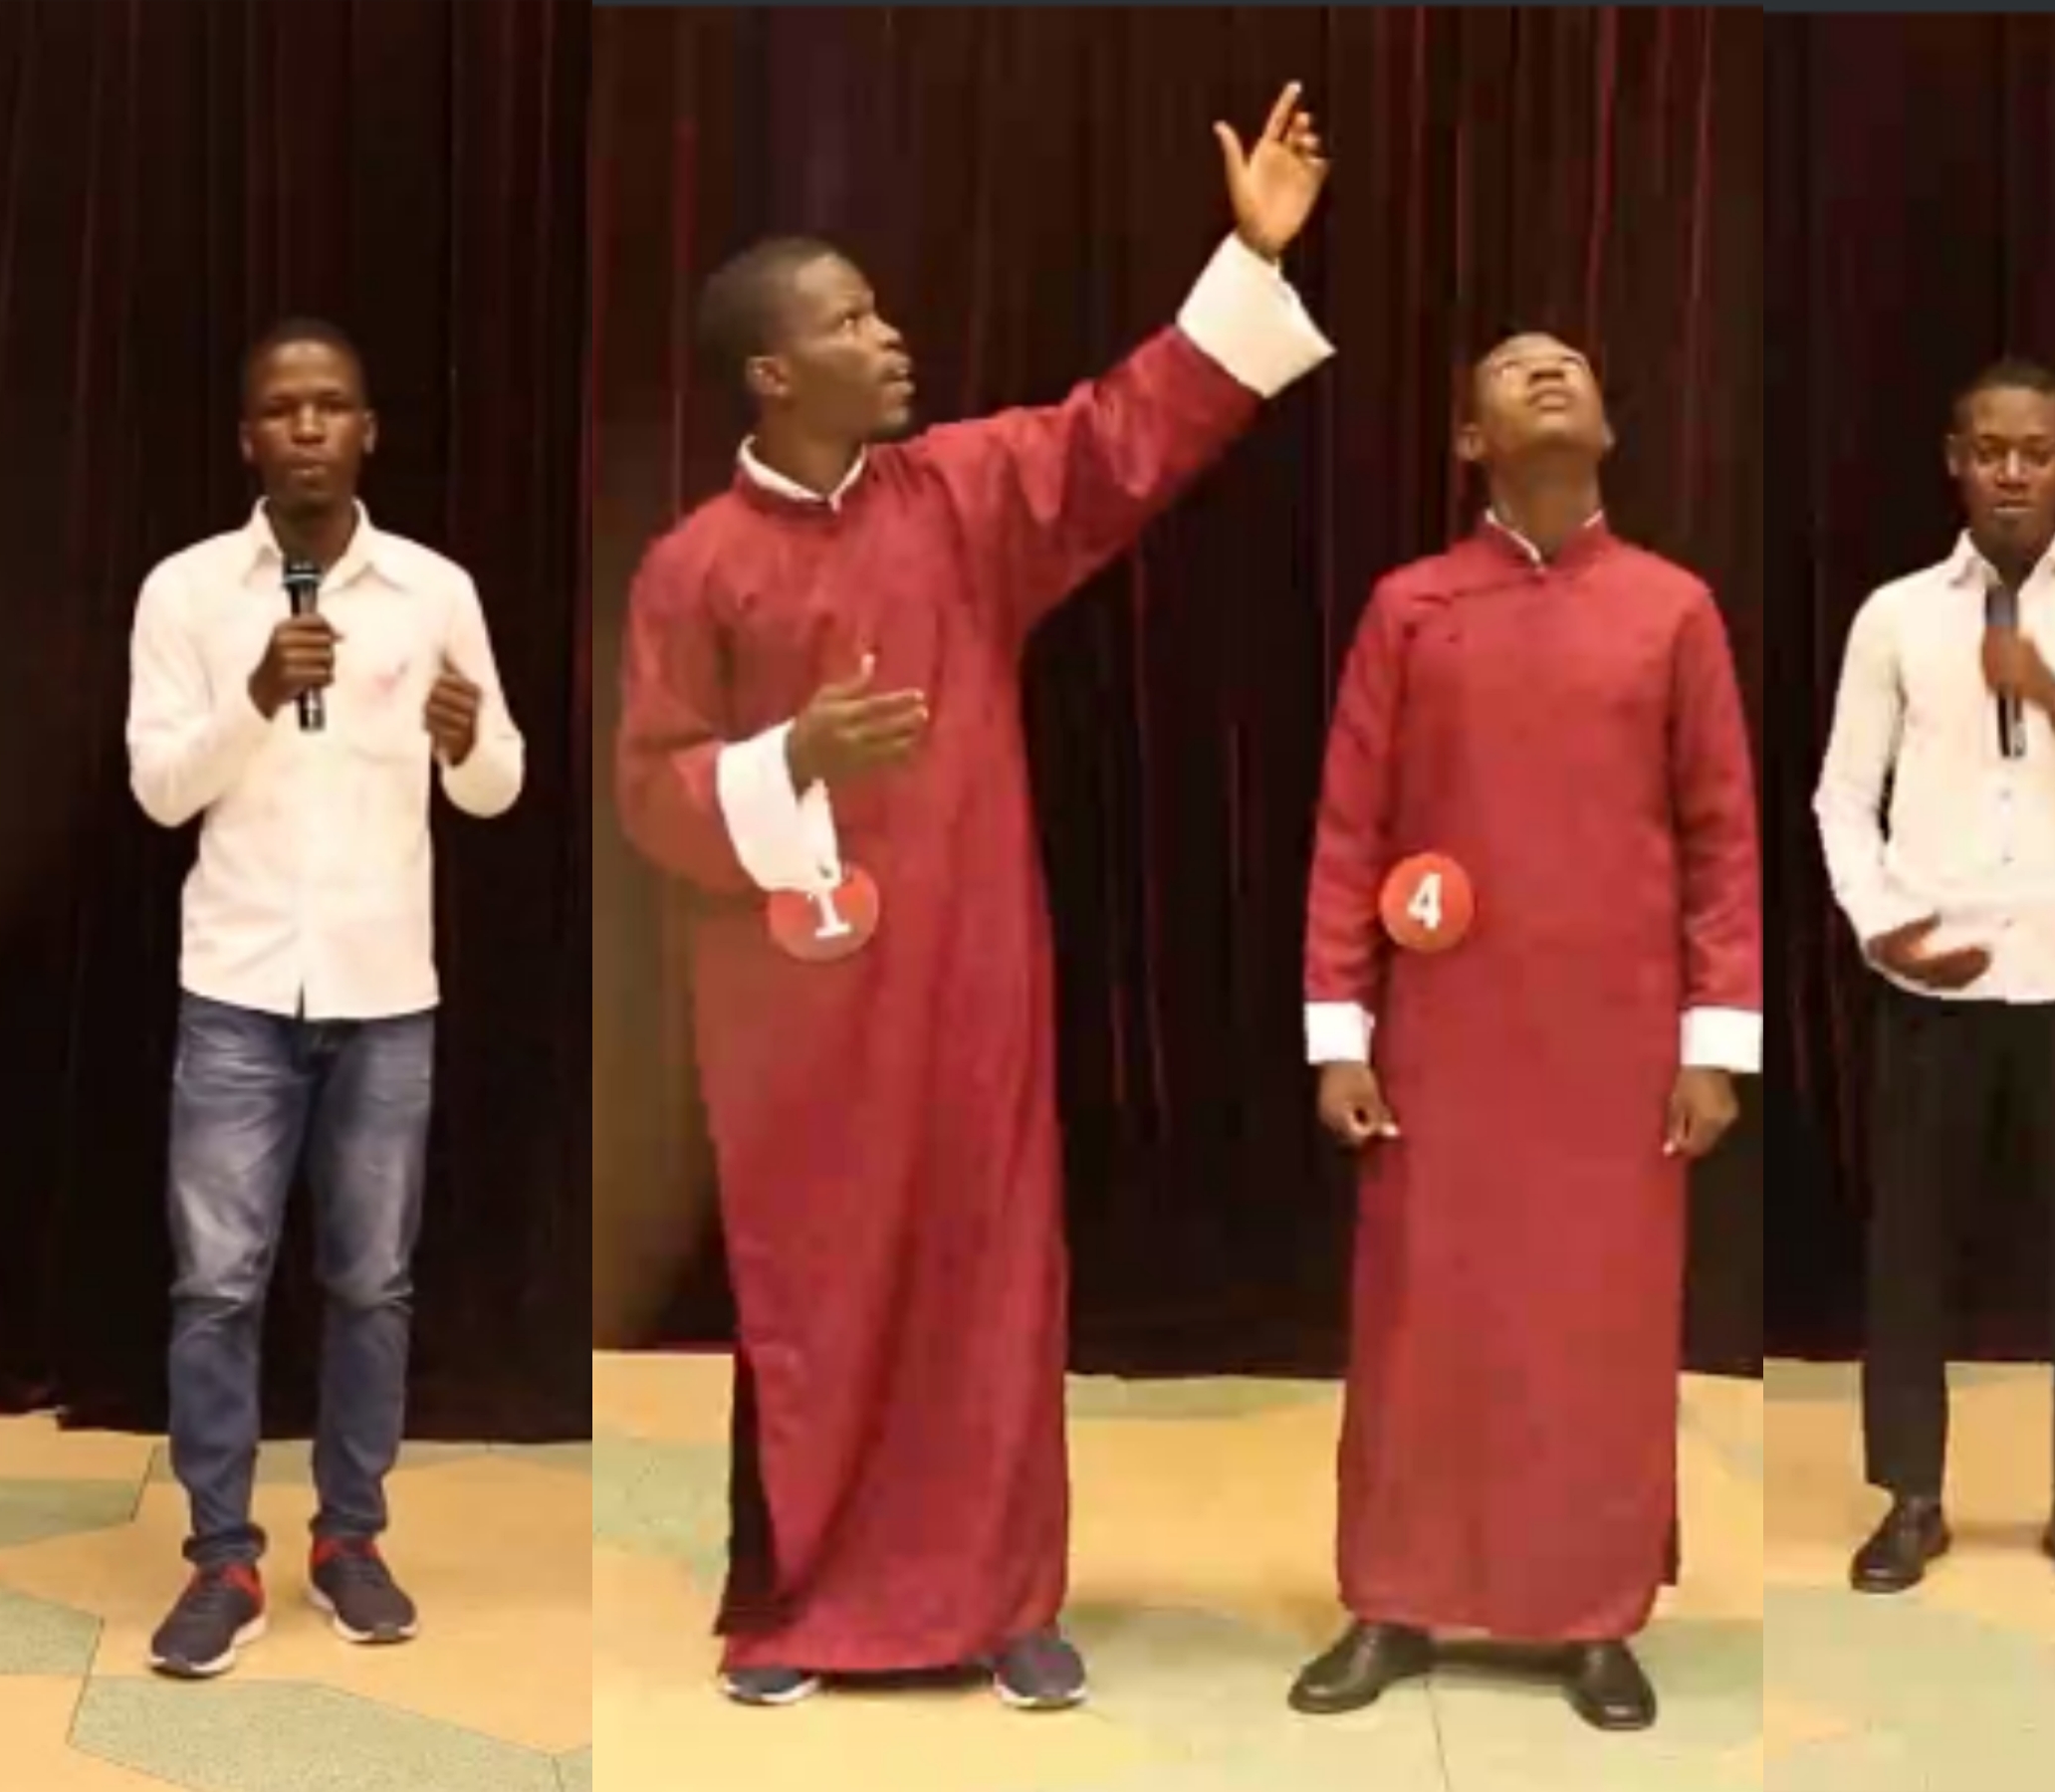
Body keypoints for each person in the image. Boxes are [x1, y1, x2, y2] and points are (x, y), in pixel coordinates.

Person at [612, 85, 1333, 1712]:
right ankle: (806, 1607)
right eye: (852, 321)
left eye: (882, 312)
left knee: (993, 1278)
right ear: (772, 374)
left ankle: (1009, 1600)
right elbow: (652, 791)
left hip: (970, 973)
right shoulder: (694, 566)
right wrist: (789, 757)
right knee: (822, 1286)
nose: (893, 339)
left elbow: (1121, 434)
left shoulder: (957, 496)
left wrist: (1246, 258)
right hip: (795, 1006)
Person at [1294, 332, 1761, 1731]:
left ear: (1610, 427)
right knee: (1419, 1323)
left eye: (1571, 364)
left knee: (1601, 1330)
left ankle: (1594, 1614)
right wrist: (1340, 1030)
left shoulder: (1674, 611)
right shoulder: (1410, 609)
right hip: (1441, 1040)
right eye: (1510, 368)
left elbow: (1722, 839)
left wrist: (1713, 1043)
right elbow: (1351, 828)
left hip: (1618, 1049)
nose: (1548, 373)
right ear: (1468, 442)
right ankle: (1392, 1600)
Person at [123, 319, 526, 1677]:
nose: (308, 426)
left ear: (369, 432)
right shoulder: (186, 592)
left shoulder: (432, 591)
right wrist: (253, 696)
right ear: (247, 438)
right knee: (216, 1286)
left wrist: (470, 750)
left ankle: (351, 1540)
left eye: (332, 405)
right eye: (283, 409)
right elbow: (158, 791)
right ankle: (221, 1559)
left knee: (371, 1284)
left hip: (385, 993)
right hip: (236, 987)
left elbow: (501, 782)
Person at [1813, 357, 2055, 1600]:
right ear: (1955, 462)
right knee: (1910, 1253)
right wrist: (1880, 928)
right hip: (1936, 985)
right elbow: (1841, 797)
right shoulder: (1895, 617)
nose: (2012, 473)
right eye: (1990, 451)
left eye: (2036, 452)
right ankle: (1911, 1501)